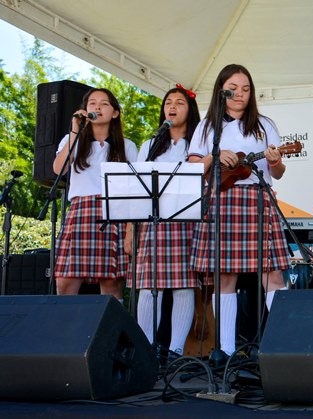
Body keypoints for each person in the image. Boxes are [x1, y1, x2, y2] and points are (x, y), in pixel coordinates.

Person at [187, 64, 290, 356]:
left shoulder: (264, 124)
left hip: (258, 198)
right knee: (226, 276)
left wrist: (273, 161)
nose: (240, 94)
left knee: (273, 275)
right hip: (221, 200)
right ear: (222, 89)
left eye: (246, 89)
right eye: (234, 88)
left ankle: (284, 349)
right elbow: (193, 167)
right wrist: (214, 155)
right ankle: (227, 352)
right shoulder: (208, 126)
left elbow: (279, 172)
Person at [125, 85, 200, 358]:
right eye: (168, 102)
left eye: (180, 102)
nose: (172, 106)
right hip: (152, 222)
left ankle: (176, 351)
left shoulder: (198, 144)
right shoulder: (149, 144)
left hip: (186, 220)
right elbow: (136, 188)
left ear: (190, 110)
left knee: (183, 284)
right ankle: (145, 350)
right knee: (148, 284)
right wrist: (130, 233)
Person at [52, 88, 139, 300]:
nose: (97, 107)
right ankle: (67, 332)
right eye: (92, 103)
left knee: (110, 283)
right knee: (65, 281)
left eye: (104, 103)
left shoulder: (127, 146)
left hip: (114, 211)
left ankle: (109, 332)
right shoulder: (72, 140)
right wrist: (74, 131)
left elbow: (135, 192)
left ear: (115, 113)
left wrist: (129, 230)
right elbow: (58, 169)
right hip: (80, 211)